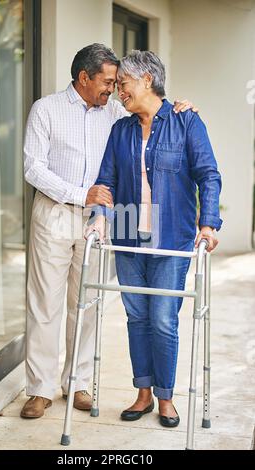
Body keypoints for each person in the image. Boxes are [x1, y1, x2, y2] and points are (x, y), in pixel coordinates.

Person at [21, 43, 197, 419]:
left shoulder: (115, 111)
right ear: (84, 78)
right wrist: (79, 193)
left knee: (85, 305)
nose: (114, 88)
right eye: (107, 81)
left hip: (97, 222)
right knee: (44, 306)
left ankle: (79, 383)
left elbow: (150, 108)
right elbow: (33, 169)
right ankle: (39, 389)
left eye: (118, 82)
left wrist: (181, 107)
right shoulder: (46, 110)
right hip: (55, 214)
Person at [86, 50, 222, 427]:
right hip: (129, 238)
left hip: (171, 241)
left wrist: (208, 224)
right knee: (136, 318)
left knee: (163, 320)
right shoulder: (122, 129)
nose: (118, 93)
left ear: (147, 80)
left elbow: (208, 175)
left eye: (124, 85)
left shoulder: (185, 122)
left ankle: (166, 397)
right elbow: (107, 182)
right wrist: (99, 219)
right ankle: (143, 393)